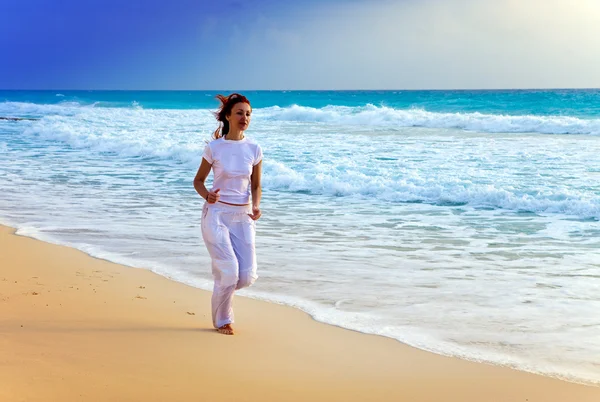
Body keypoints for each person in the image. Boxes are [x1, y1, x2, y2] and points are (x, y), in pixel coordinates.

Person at [193, 93, 263, 335]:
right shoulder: (214, 148)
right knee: (230, 272)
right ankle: (223, 320)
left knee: (246, 276)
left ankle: (223, 285)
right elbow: (198, 181)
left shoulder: (254, 148)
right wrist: (207, 195)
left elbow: (255, 185)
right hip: (217, 214)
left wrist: (256, 205)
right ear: (228, 116)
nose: (245, 117)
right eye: (240, 113)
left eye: (248, 114)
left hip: (243, 216)